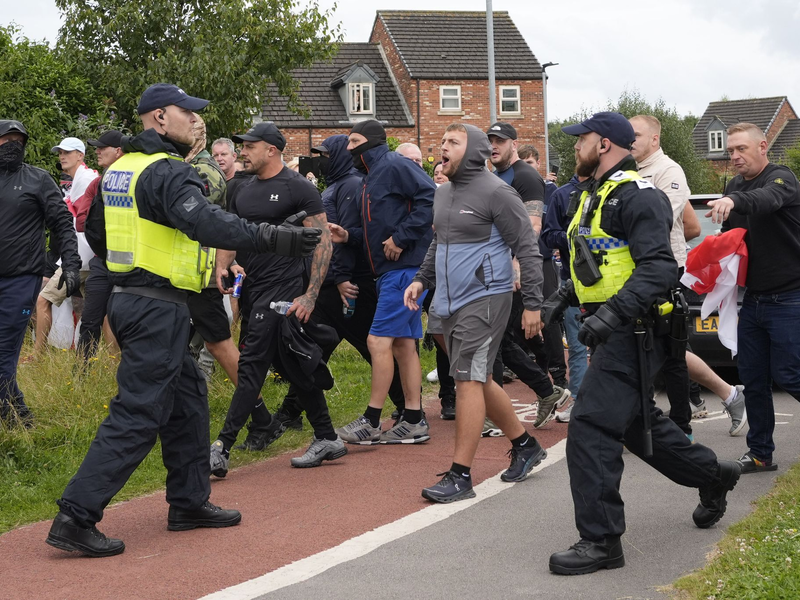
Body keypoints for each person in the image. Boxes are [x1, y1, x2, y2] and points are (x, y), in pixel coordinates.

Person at [46, 83, 322, 558]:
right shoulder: (167, 171)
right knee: (138, 412)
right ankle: (76, 515)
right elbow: (208, 223)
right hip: (156, 306)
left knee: (189, 400)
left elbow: (100, 229)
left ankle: (189, 503)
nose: (195, 120)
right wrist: (277, 239)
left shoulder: (122, 168)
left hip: (136, 298)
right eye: (186, 112)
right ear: (158, 118)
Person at [549, 112, 740, 575]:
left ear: (607, 145)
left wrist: (612, 314)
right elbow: (600, 264)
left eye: (584, 139)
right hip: (612, 325)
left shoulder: (641, 197)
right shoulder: (593, 195)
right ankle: (715, 475)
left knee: (592, 427)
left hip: (637, 330)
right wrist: (560, 298)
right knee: (635, 423)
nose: (576, 146)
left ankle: (601, 542)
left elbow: (658, 268)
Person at [404, 123, 547, 502]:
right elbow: (439, 241)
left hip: (485, 298)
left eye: (453, 142)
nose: (442, 148)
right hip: (448, 298)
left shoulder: (499, 193)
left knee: (467, 379)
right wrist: (421, 279)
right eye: (442, 141)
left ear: (475, 151)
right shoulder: (444, 193)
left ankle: (460, 475)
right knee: (475, 376)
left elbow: (528, 249)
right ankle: (526, 444)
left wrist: (533, 304)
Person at [211, 121, 343, 472]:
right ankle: (327, 436)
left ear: (271, 149)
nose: (242, 152)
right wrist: (222, 267)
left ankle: (222, 446)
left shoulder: (299, 188)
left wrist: (311, 296)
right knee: (290, 363)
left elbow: (323, 244)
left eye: (249, 147)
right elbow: (230, 233)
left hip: (284, 287)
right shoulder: (240, 188)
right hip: (253, 287)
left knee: (251, 362)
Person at [274, 135, 408, 436]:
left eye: (324, 153)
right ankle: (292, 410)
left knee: (370, 347)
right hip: (333, 284)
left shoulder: (348, 186)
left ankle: (407, 407)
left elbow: (342, 237)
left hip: (347, 286)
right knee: (313, 345)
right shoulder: (339, 185)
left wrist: (341, 278)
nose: (319, 158)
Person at [630, 115, 746, 438]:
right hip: (636, 270)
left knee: (669, 349)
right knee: (661, 347)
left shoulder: (668, 170)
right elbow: (691, 225)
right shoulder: (628, 171)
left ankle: (689, 418)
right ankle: (726, 396)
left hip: (661, 270)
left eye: (636, 135)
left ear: (654, 139)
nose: (630, 140)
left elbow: (661, 219)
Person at [330, 119, 435, 444]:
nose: (349, 148)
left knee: (377, 342)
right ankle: (414, 419)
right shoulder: (368, 179)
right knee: (403, 345)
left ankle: (371, 421)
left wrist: (401, 239)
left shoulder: (394, 164)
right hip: (393, 271)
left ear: (373, 143)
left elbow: (430, 199)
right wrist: (348, 236)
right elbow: (378, 234)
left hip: (405, 269)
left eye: (354, 141)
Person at [707, 122, 800, 473]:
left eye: (741, 149)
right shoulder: (733, 185)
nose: (734, 157)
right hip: (754, 299)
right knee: (753, 378)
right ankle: (761, 454)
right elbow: (732, 239)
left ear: (763, 146)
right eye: (730, 151)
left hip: (791, 297)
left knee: (790, 375)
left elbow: (765, 201)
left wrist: (734, 200)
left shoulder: (781, 179)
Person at [487, 122, 569, 429]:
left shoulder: (525, 176)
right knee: (503, 341)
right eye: (490, 140)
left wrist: (517, 269)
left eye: (500, 140)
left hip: (517, 271)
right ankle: (548, 391)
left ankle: (494, 413)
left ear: (513, 143)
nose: (494, 145)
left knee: (506, 338)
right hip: (495, 271)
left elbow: (531, 228)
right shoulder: (495, 176)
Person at [0, 120, 81, 426]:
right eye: (6, 138)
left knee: (4, 352)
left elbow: (63, 224)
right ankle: (20, 416)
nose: (12, 144)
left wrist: (65, 264)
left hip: (20, 280)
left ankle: (14, 420)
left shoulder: (37, 179)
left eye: (17, 140)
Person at [32, 137, 99, 355]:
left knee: (44, 300)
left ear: (81, 155)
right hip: (84, 256)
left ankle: (37, 354)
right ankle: (100, 356)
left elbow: (81, 223)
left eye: (68, 152)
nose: (62, 156)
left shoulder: (86, 178)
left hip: (80, 258)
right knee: (96, 311)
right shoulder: (77, 180)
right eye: (60, 152)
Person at [541, 171, 591, 422]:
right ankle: (580, 403)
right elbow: (548, 235)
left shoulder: (611, 190)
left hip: (611, 283)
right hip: (574, 281)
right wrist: (574, 236)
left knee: (614, 347)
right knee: (578, 345)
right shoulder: (562, 195)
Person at [75, 130, 125, 363]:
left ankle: (127, 369)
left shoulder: (136, 177)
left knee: (131, 320)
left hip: (131, 264)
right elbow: (82, 220)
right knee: (90, 320)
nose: (97, 151)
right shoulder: (96, 183)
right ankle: (81, 374)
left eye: (102, 147)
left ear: (118, 151)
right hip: (102, 261)